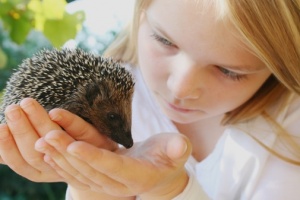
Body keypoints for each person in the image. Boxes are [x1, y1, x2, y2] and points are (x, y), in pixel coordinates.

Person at [0, 0, 299, 199]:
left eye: (228, 70)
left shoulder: (290, 133)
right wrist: (92, 188)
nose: (180, 89)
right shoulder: (124, 86)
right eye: (165, 40)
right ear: (140, 12)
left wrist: (170, 190)